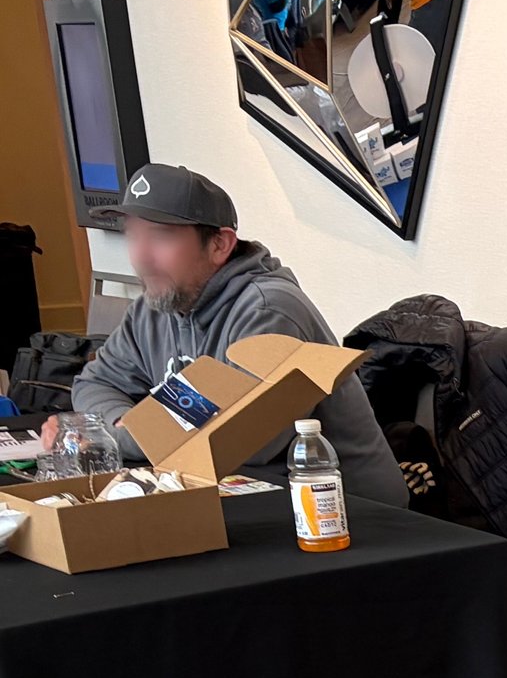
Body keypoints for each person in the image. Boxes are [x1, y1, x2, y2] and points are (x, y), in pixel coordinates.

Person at [62, 164, 407, 506]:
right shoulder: (154, 306)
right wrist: (127, 424)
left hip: (349, 512)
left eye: (160, 236)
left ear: (219, 245)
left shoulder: (268, 310)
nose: (141, 257)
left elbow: (240, 442)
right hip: (249, 499)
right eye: (133, 236)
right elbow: (93, 384)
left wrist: (115, 433)